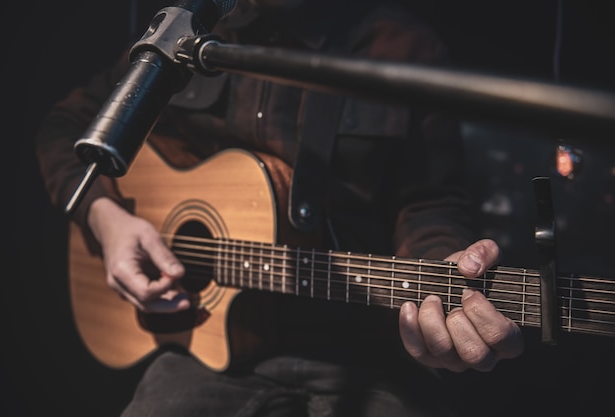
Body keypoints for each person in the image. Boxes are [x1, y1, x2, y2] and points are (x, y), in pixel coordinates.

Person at [35, 0, 524, 415]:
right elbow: (69, 127)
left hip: (361, 348)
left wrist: (440, 276)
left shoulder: (404, 47)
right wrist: (106, 218)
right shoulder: (190, 32)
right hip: (206, 350)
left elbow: (428, 201)